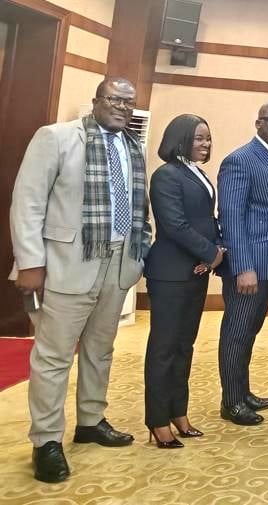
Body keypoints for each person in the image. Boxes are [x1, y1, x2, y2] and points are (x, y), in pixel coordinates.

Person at [10, 77, 150, 482]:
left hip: (119, 264)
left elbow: (138, 206)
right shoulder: (56, 137)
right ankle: (46, 440)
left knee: (100, 350)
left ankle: (90, 420)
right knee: (53, 357)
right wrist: (30, 263)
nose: (122, 107)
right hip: (67, 263)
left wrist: (140, 252)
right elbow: (28, 202)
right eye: (114, 99)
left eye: (128, 102)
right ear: (96, 100)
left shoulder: (131, 145)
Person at [143, 114, 223, 448]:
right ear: (180, 139)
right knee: (163, 349)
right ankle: (157, 420)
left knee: (184, 347)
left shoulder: (196, 172)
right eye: (199, 138)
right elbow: (174, 225)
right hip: (170, 274)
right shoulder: (166, 175)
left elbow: (204, 220)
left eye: (208, 138)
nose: (206, 144)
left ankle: (179, 413)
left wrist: (216, 250)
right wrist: (211, 253)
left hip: (195, 272)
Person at [217, 101, 268, 425]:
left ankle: (243, 392)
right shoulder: (240, 160)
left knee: (250, 329)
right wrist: (242, 266)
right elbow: (231, 217)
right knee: (236, 332)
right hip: (249, 266)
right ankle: (232, 402)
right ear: (258, 122)